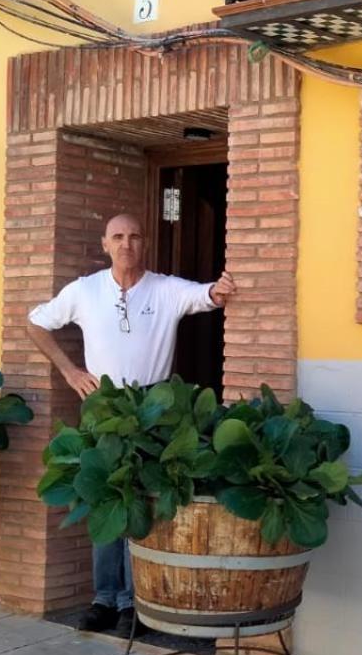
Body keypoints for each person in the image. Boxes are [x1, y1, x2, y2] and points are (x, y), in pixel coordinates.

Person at [28, 213, 236, 632]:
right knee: (106, 504)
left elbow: (206, 296)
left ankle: (133, 604)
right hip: (103, 409)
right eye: (118, 237)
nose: (127, 244)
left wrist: (221, 289)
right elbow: (35, 322)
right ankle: (104, 599)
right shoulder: (84, 291)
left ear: (145, 244)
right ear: (105, 244)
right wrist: (70, 372)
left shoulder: (166, 289)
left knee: (141, 506)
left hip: (152, 412)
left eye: (135, 237)